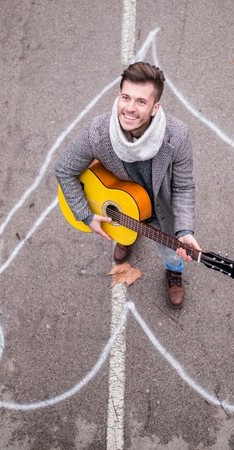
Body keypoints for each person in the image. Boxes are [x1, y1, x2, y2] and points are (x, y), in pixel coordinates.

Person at [55, 62, 200, 309]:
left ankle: (173, 271)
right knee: (125, 223)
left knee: (171, 252)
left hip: (158, 210)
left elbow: (184, 187)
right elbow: (64, 169)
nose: (129, 109)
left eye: (141, 102)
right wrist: (85, 215)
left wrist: (184, 230)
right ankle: (127, 236)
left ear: (155, 107)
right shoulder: (98, 133)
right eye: (125, 97)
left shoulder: (177, 136)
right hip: (123, 203)